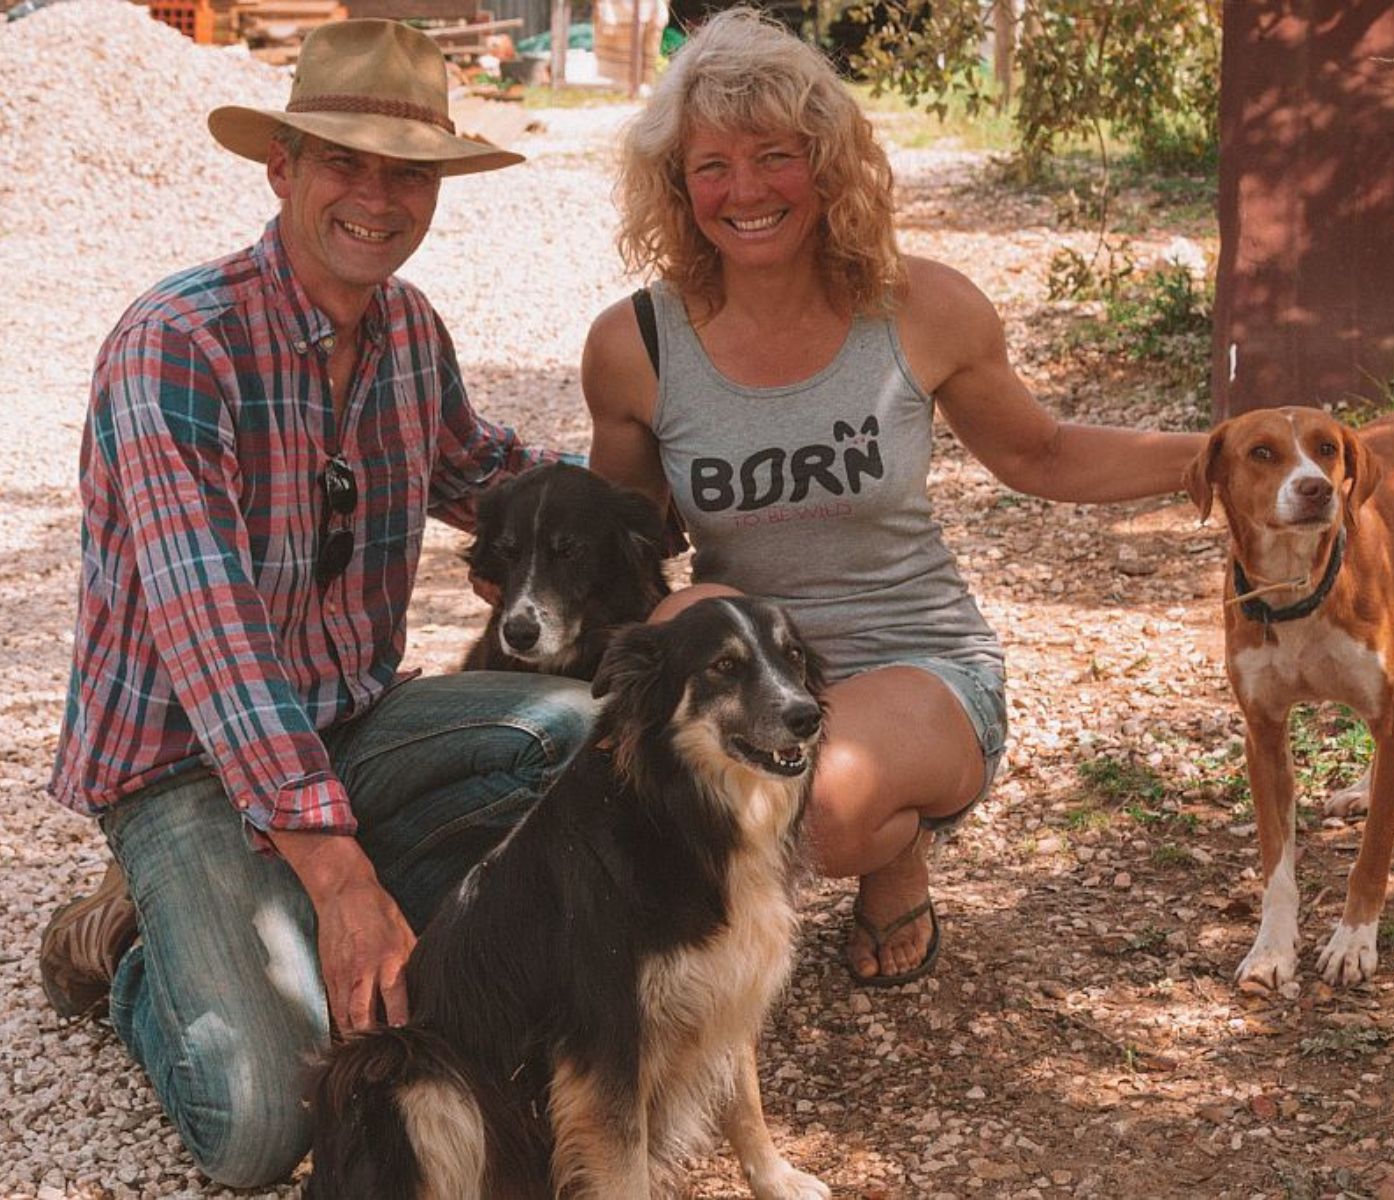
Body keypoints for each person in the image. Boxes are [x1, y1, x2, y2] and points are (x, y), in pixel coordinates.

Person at [39, 21, 595, 1188]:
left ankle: (315, 895)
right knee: (261, 1123)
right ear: (281, 166)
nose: (377, 199)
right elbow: (214, 642)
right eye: (345, 162)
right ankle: (134, 945)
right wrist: (341, 882)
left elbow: (489, 475)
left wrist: (651, 504)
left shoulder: (408, 330)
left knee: (585, 734)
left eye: (409, 172)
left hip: (350, 724)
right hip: (186, 767)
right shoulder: (175, 344)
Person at [582, 8, 1206, 988]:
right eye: (712, 167)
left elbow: (1042, 454)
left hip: (919, 662)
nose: (745, 191)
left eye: (775, 157)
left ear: (828, 165)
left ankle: (892, 849)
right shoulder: (636, 347)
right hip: (756, 657)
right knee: (669, 649)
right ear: (676, 184)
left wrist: (1221, 457)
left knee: (819, 809)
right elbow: (616, 540)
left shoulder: (919, 308)